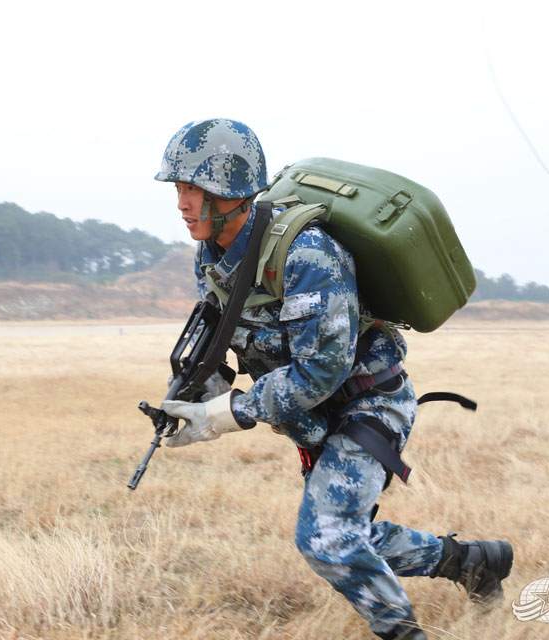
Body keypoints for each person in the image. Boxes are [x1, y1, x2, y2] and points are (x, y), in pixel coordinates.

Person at [155, 118, 513, 640]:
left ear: (230, 191)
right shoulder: (211, 257)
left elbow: (321, 369)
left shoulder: (306, 253)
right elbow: (227, 331)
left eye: (192, 189)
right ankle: (473, 561)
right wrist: (199, 389)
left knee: (326, 539)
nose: (182, 203)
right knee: (349, 532)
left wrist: (229, 413)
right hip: (313, 416)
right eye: (179, 189)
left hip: (367, 405)